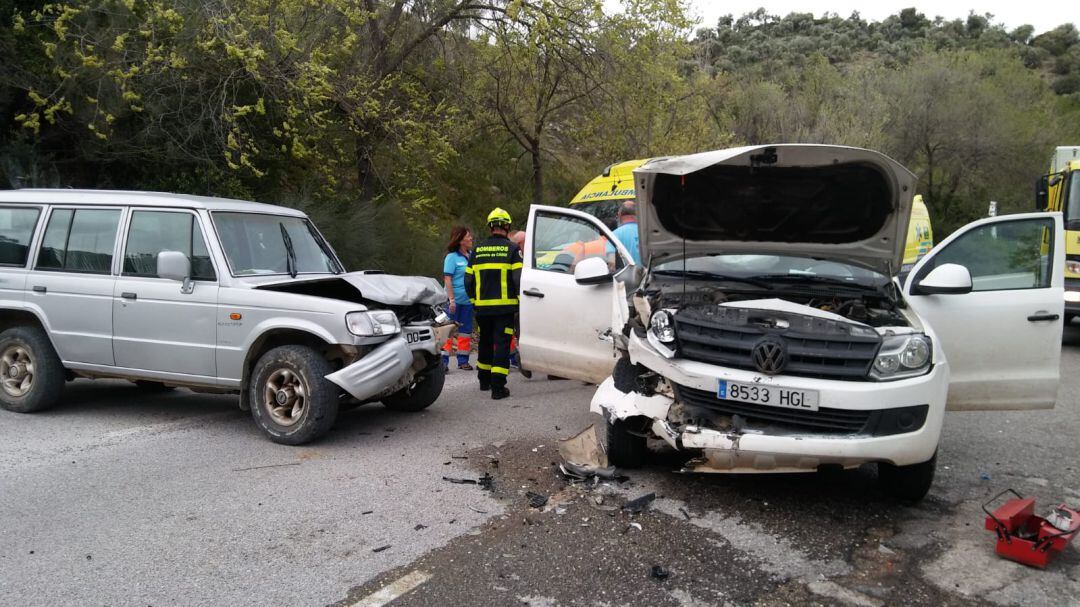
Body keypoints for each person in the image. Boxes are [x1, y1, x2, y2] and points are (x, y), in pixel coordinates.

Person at [464, 208, 522, 400]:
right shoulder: (513, 250)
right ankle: (498, 388)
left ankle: (484, 381)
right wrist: (521, 303)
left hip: (482, 309)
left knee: (485, 342)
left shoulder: (477, 250)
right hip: (505, 309)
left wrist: (474, 301)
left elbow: (467, 281)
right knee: (502, 344)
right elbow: (517, 279)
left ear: (490, 226)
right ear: (507, 226)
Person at [442, 226, 474, 371]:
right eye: (468, 236)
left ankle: (463, 361)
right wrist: (451, 300)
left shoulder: (471, 255)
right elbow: (447, 279)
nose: (471, 238)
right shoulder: (451, 257)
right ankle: (443, 363)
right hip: (453, 302)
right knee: (448, 332)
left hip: (468, 301)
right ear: (461, 240)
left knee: (465, 331)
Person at [606, 200, 641, 266]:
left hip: (626, 275)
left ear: (619, 215)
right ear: (638, 214)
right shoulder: (647, 233)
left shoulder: (613, 236)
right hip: (652, 275)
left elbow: (611, 264)